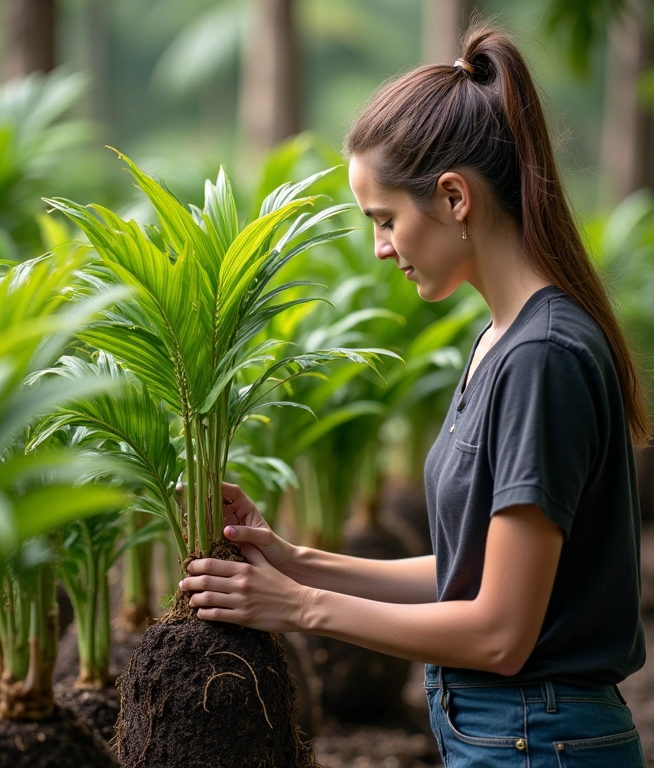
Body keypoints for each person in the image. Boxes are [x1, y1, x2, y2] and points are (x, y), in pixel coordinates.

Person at [180, 23, 650, 767]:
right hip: (511, 735)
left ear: (455, 197)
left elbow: (500, 632)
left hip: (537, 742)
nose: (380, 247)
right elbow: (470, 572)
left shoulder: (543, 358)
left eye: (386, 220)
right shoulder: (502, 342)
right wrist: (295, 558)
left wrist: (301, 608)